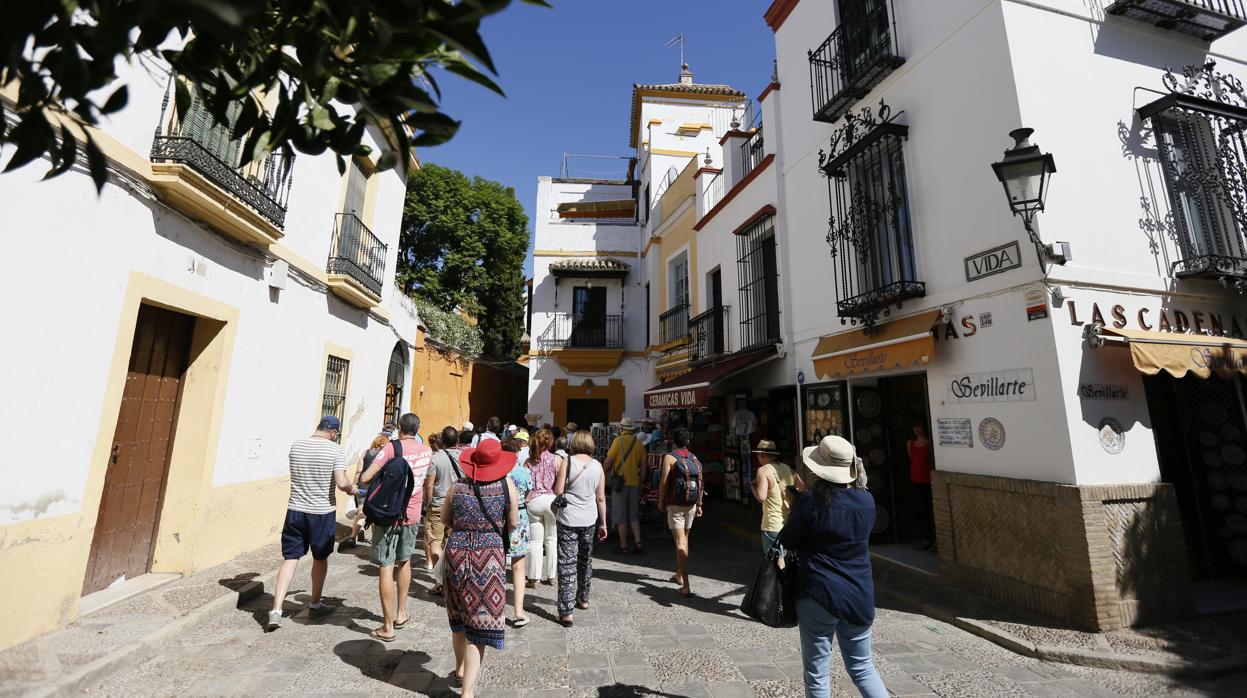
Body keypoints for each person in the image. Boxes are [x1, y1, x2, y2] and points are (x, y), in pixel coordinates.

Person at [778, 435, 887, 698]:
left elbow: (788, 539)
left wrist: (795, 507)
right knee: (863, 667)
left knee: (817, 674)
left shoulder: (811, 501)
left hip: (819, 592)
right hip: (859, 594)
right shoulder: (867, 502)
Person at [441, 438, 520, 698]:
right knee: (480, 623)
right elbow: (513, 521)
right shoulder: (506, 485)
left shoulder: (458, 486)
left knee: (459, 617)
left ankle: (459, 668)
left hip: (457, 552)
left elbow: (445, 520)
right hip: (489, 556)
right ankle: (467, 692)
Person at [268, 416, 357, 630]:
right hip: (321, 512)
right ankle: (315, 603)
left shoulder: (297, 445)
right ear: (333, 433)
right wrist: (351, 489)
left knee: (290, 558)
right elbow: (341, 482)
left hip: (296, 510)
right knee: (320, 557)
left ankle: (276, 610)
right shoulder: (335, 450)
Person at [359, 413, 433, 642]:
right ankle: (401, 613)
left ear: (400, 428)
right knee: (405, 561)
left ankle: (387, 625)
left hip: (388, 513)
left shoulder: (392, 448)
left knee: (386, 566)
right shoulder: (427, 450)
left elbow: (365, 477)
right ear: (418, 428)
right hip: (411, 514)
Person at [552, 430, 606, 626]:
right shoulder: (597, 465)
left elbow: (558, 491)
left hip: (568, 518)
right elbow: (600, 497)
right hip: (589, 518)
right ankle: (583, 599)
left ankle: (566, 612)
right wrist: (604, 523)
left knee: (567, 563)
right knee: (586, 559)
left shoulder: (568, 461)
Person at [657, 429, 703, 598]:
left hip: (675, 504)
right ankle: (679, 574)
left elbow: (663, 482)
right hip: (690, 504)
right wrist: (699, 504)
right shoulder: (693, 458)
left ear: (674, 442)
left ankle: (686, 584)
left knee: (679, 542)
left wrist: (661, 500)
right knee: (685, 540)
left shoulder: (670, 457)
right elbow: (700, 481)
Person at [426, 426, 464, 595]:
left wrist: (427, 502)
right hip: (458, 503)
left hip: (438, 504)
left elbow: (429, 484)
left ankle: (441, 579)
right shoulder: (463, 457)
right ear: (457, 441)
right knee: (451, 542)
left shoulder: (435, 458)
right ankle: (451, 578)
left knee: (434, 542)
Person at [750, 439, 804, 558]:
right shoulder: (787, 468)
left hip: (772, 525)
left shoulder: (763, 470)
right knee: (788, 561)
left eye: (758, 455)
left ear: (763, 455)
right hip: (788, 523)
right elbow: (802, 487)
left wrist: (752, 487)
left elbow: (761, 497)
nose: (758, 458)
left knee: (773, 564)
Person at [603, 417, 646, 554]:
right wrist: (642, 481)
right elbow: (644, 465)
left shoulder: (618, 441)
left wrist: (602, 471)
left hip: (620, 484)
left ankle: (623, 546)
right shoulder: (639, 443)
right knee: (633, 515)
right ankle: (638, 541)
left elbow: (609, 461)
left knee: (620, 516)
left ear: (621, 429)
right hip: (634, 482)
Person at [501, 438, 531, 627]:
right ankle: (519, 611)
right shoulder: (524, 472)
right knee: (518, 566)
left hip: (499, 517)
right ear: (518, 453)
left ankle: (497, 608)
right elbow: (529, 495)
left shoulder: (498, 473)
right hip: (519, 516)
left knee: (497, 565)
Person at [524, 429, 559, 588]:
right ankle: (551, 575)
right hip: (551, 499)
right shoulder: (557, 459)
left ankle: (534, 577)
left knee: (535, 541)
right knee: (551, 539)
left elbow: (525, 484)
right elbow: (560, 482)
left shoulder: (529, 461)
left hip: (534, 501)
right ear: (550, 442)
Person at [343, 433, 389, 549]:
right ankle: (375, 540)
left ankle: (352, 536)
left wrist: (354, 485)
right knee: (376, 513)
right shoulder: (386, 455)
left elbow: (359, 471)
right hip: (378, 487)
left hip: (363, 486)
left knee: (361, 512)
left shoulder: (365, 453)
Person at [907, 421, 935, 550]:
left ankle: (934, 538)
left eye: (918, 426)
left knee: (930, 509)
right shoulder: (910, 443)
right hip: (915, 480)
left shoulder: (930, 443)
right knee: (922, 509)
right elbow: (911, 458)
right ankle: (927, 537)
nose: (916, 429)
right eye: (914, 427)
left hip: (928, 480)